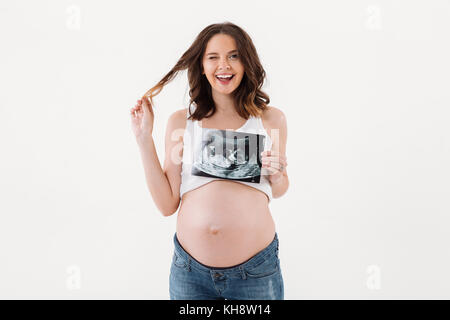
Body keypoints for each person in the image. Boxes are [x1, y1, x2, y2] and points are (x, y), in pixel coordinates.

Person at [130, 22, 289, 300]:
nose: (223, 65)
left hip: (255, 272)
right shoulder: (181, 122)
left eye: (234, 55)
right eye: (213, 57)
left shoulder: (270, 119)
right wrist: (144, 139)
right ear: (201, 66)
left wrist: (278, 174)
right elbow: (167, 204)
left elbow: (280, 188)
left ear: (246, 62)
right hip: (190, 274)